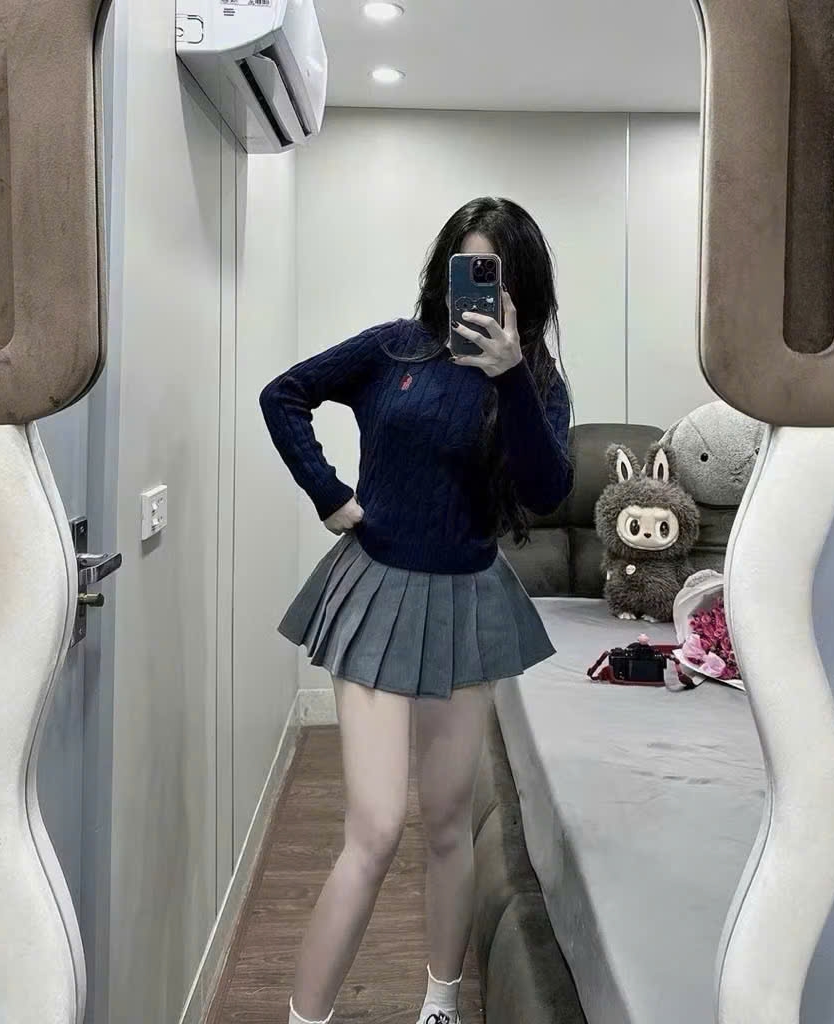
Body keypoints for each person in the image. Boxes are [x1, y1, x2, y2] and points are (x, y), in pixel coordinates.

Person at [259, 196, 574, 1024]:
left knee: (445, 823)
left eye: (494, 274)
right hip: (376, 590)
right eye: (466, 267)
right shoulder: (391, 348)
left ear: (522, 287)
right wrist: (329, 494)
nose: (476, 288)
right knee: (373, 830)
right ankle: (305, 1017)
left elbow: (545, 491)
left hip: (467, 600)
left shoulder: (537, 380)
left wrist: (510, 376)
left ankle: (439, 1003)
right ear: (443, 271)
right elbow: (283, 395)